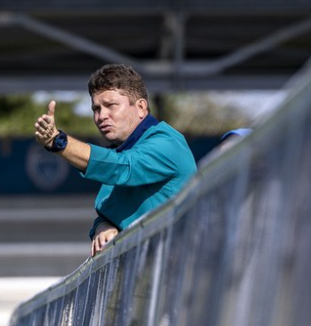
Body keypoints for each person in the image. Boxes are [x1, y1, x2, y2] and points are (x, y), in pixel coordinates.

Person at [34, 64, 198, 256]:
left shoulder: (167, 144)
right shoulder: (122, 151)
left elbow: (122, 168)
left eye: (111, 105)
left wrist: (58, 142)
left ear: (140, 108)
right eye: (96, 108)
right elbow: (109, 209)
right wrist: (103, 226)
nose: (101, 116)